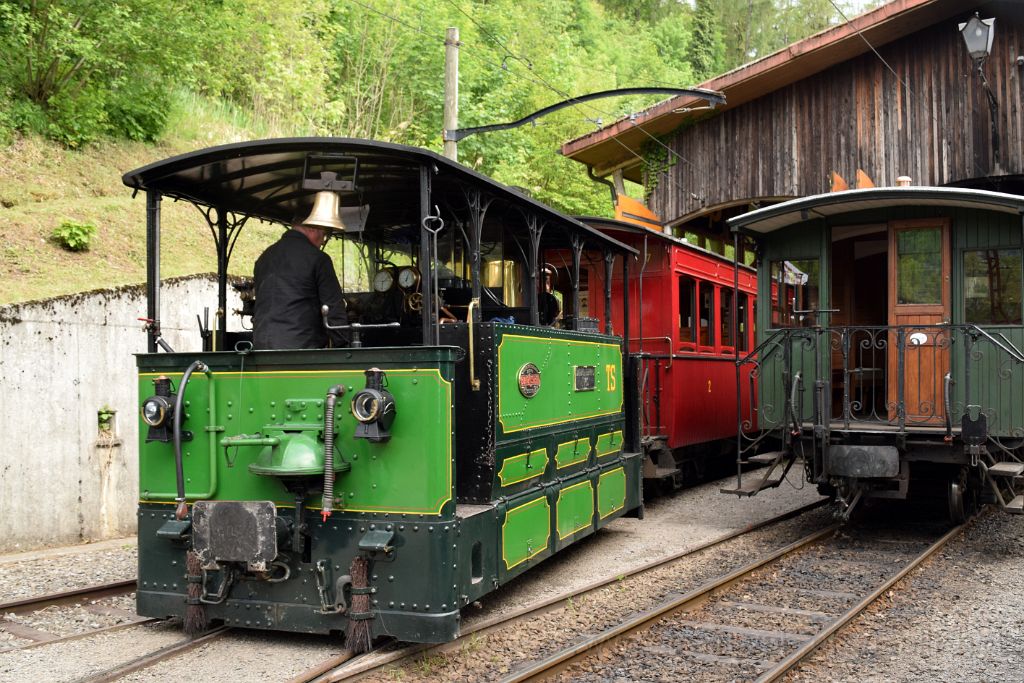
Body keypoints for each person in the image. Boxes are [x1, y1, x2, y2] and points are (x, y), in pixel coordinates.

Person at [253, 221, 348, 349]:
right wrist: (345, 346)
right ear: (313, 229)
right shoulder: (318, 259)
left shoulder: (263, 258)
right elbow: (333, 310)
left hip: (261, 347)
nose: (322, 243)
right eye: (324, 235)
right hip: (301, 350)